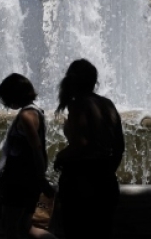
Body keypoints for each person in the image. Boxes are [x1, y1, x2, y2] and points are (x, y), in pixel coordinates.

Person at [54, 59, 125, 239]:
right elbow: (119, 145)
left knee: (77, 232)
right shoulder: (107, 104)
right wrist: (108, 170)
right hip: (106, 181)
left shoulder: (78, 104)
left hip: (80, 183)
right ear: (94, 81)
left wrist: (60, 156)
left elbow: (81, 144)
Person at [0, 73, 57, 239]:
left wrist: (41, 179)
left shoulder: (26, 116)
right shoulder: (35, 111)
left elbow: (36, 148)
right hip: (27, 179)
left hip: (19, 180)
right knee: (24, 226)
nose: (5, 103)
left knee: (10, 226)